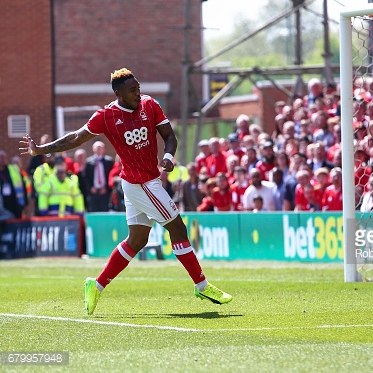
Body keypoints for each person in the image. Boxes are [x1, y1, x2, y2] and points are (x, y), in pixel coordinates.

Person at [19, 68, 232, 315]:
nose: (138, 93)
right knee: (178, 228)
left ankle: (95, 285)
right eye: (132, 91)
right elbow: (75, 138)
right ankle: (202, 285)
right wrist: (40, 149)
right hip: (141, 184)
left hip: (140, 182)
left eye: (138, 88)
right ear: (119, 94)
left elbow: (169, 136)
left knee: (138, 239)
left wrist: (168, 156)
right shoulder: (107, 115)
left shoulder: (150, 105)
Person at [84, 141, 114, 212]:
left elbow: (111, 176)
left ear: (104, 149)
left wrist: (106, 188)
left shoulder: (109, 161)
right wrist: (90, 188)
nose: (99, 149)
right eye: (97, 147)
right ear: (93, 149)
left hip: (105, 192)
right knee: (93, 211)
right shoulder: (88, 162)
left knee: (104, 212)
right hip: (93, 192)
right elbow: (85, 176)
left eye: (101, 148)